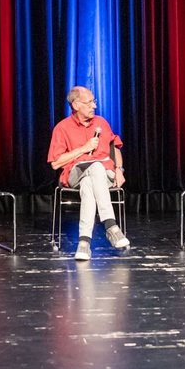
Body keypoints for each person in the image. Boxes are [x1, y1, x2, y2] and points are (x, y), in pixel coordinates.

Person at [47, 85, 129, 261]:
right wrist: (83, 149)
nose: (94, 106)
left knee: (89, 183)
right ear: (76, 105)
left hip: (105, 174)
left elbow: (115, 147)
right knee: (94, 168)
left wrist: (119, 169)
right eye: (90, 102)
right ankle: (111, 226)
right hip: (75, 173)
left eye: (94, 101)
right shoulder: (62, 128)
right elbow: (55, 163)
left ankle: (84, 242)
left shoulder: (101, 123)